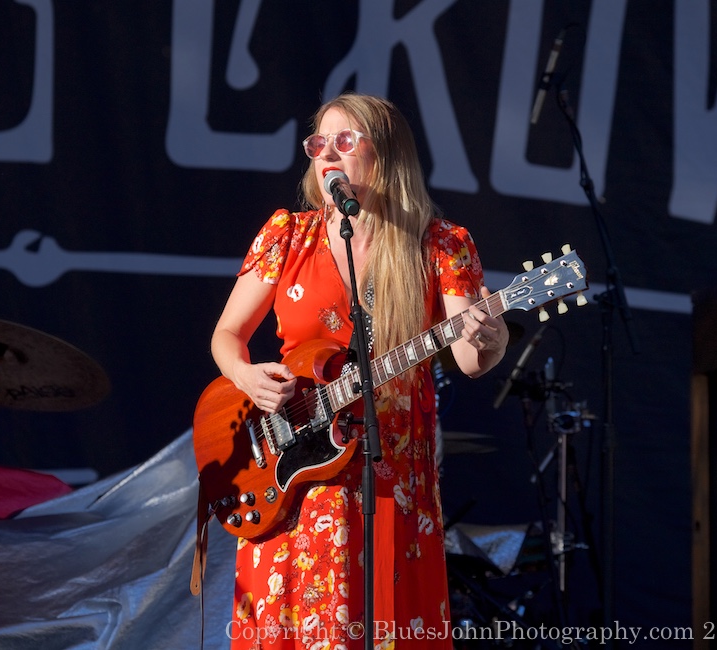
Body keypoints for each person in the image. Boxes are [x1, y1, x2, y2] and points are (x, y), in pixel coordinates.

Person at [210, 92, 509, 649]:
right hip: (294, 474)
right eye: (318, 143)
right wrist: (247, 377)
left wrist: (493, 337)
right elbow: (226, 336)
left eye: (345, 141)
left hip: (390, 473)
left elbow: (470, 357)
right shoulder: (286, 236)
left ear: (387, 154)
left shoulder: (441, 245)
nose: (327, 154)